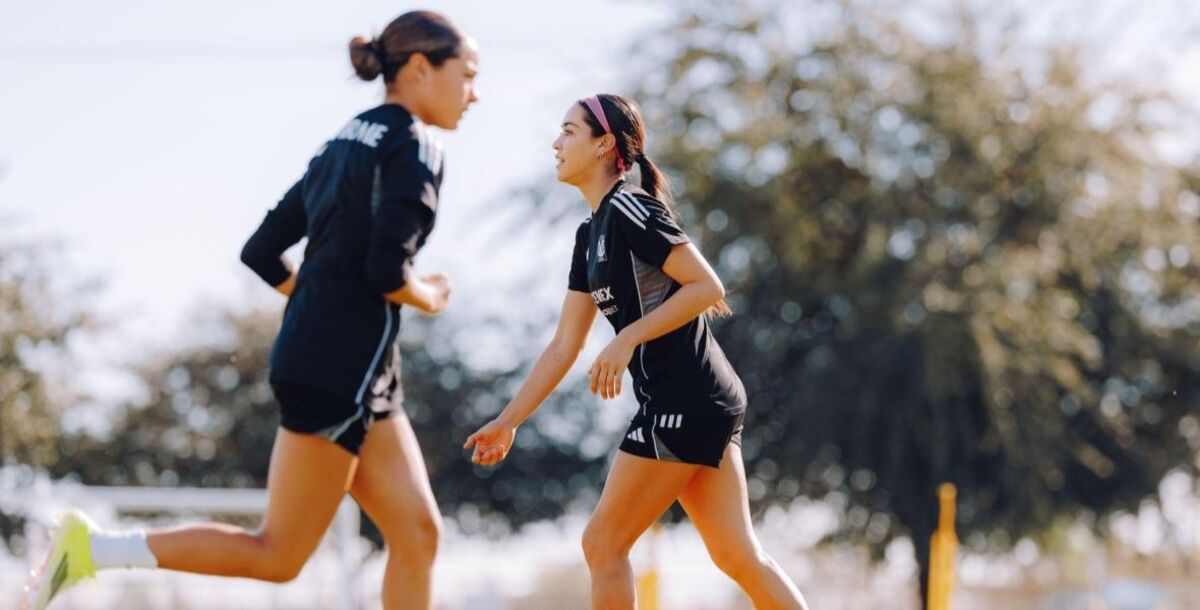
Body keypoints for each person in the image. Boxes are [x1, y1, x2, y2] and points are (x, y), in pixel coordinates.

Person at [23, 11, 479, 610]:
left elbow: (262, 251)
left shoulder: (343, 140)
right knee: (279, 554)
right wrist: (431, 295)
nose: (475, 93)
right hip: (338, 370)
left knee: (417, 535)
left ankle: (92, 550)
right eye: (467, 74)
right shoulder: (417, 145)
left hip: (349, 366)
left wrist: (320, 302)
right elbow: (386, 272)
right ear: (420, 69)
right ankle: (92, 550)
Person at [463, 94, 808, 609]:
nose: (555, 143)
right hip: (698, 399)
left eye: (568, 132)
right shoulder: (589, 236)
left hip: (684, 399)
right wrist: (511, 420)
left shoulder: (630, 207)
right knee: (737, 555)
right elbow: (563, 346)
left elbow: (706, 287)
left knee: (603, 544)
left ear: (604, 144)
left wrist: (626, 337)